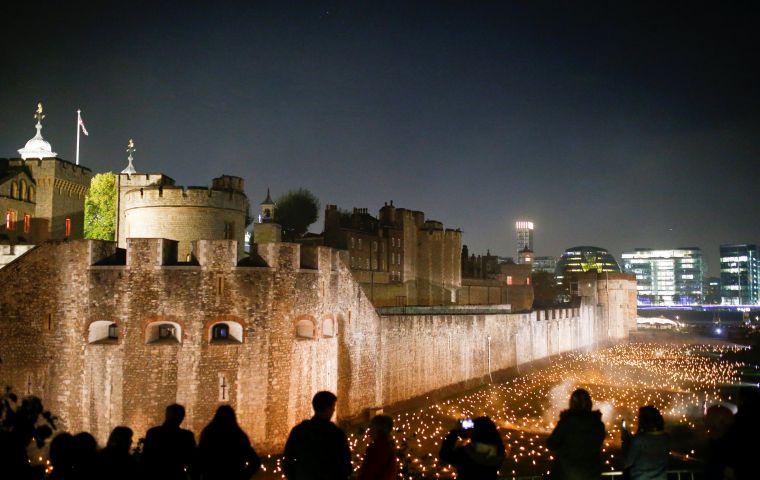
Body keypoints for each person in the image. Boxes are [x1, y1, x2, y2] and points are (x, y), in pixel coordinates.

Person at [283, 391, 351, 480]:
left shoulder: (298, 431)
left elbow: (287, 460)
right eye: (333, 407)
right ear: (327, 408)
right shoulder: (336, 434)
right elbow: (345, 464)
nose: (334, 410)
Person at [546, 388, 606, 480]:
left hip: (566, 474)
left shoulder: (566, 422)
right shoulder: (598, 424)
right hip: (591, 474)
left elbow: (551, 444)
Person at [197, 405, 261, 480]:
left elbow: (199, 457)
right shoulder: (239, 436)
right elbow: (255, 461)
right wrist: (244, 475)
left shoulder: (208, 434)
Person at [140, 403, 197, 480]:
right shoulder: (187, 435)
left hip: (155, 475)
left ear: (167, 415)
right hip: (177, 475)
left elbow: (146, 459)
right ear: (182, 417)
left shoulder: (153, 433)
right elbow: (192, 460)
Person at [439, 416, 506, 480]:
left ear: (475, 432)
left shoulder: (464, 454)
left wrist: (455, 432)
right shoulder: (499, 452)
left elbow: (444, 453)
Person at [622, 405, 670, 480]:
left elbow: (627, 462)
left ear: (644, 420)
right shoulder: (666, 438)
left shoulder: (639, 440)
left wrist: (625, 441)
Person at [357, 415, 397, 480]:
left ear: (379, 429)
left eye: (372, 427)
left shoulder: (378, 448)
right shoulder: (388, 446)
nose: (369, 431)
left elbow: (370, 473)